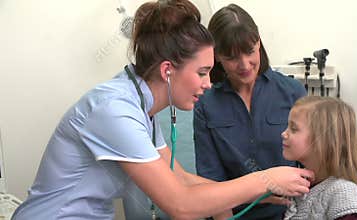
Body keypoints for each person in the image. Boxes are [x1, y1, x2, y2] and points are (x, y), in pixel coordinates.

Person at [11, 1, 314, 219]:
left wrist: (258, 192)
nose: (209, 84)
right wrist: (264, 180)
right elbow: (180, 203)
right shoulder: (114, 110)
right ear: (168, 70)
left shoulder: (139, 107)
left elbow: (180, 179)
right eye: (202, 72)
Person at [193, 3, 307, 219]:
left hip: (290, 213)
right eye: (232, 57)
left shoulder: (292, 93)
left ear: (259, 43)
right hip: (231, 213)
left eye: (249, 51)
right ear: (216, 56)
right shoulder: (205, 103)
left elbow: (312, 165)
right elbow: (210, 182)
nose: (244, 64)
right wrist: (256, 194)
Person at [281, 96, 357, 220]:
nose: (284, 134)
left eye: (294, 129)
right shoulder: (301, 183)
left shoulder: (345, 196)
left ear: (323, 140)